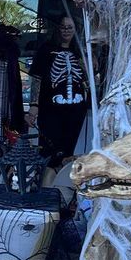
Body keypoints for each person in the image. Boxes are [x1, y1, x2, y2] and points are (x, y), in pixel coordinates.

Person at [26, 15, 89, 175]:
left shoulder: (80, 51)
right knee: (50, 154)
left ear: (76, 29)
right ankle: (46, 191)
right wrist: (34, 106)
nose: (67, 30)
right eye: (63, 26)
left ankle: (61, 192)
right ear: (57, 28)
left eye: (70, 27)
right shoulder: (46, 49)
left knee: (67, 154)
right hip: (51, 111)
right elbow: (36, 78)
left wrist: (89, 62)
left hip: (75, 112)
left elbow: (88, 79)